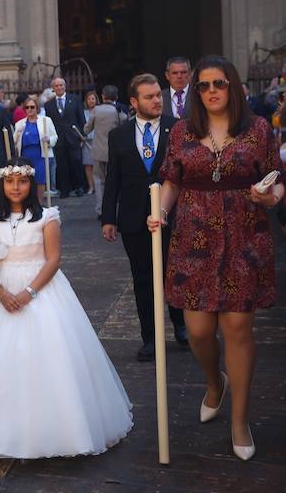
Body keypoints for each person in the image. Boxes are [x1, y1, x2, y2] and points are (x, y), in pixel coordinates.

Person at [149, 55, 286, 461]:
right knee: (199, 331)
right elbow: (172, 179)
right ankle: (214, 382)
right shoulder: (181, 131)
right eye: (203, 85)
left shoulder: (258, 130)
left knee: (239, 327)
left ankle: (240, 420)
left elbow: (277, 180)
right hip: (193, 239)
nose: (211, 91)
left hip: (245, 237)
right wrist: (162, 211)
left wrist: (270, 196)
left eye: (219, 84)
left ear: (233, 86)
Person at [0, 158, 132, 458]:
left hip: (40, 288)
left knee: (50, 355)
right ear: (2, 185)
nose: (15, 187)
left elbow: (53, 259)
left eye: (21, 181)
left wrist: (29, 292)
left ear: (31, 184)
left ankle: (59, 428)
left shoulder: (47, 216)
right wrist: (3, 293)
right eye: (10, 181)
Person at [101, 74, 187, 361]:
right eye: (149, 97)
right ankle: (150, 337)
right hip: (134, 217)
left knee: (173, 273)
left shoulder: (176, 129)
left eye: (158, 96)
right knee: (143, 279)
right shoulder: (119, 135)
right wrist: (109, 218)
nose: (156, 100)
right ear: (135, 102)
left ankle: (180, 325)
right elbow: (112, 178)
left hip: (171, 216)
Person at [85, 85, 126, 217]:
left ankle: (101, 210)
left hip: (98, 151)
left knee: (99, 181)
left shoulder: (96, 110)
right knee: (116, 180)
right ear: (117, 97)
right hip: (115, 151)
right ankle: (115, 209)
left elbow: (87, 129)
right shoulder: (119, 111)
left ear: (103, 96)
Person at [44, 77, 86, 197]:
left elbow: (81, 118)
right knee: (62, 165)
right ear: (53, 88)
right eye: (56, 86)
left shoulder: (75, 99)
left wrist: (82, 135)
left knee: (76, 162)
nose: (59, 87)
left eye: (61, 85)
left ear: (65, 86)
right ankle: (65, 189)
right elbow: (48, 123)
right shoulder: (48, 105)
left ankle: (79, 187)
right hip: (58, 138)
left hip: (73, 137)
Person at [13, 96, 58, 204]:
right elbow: (13, 141)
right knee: (26, 180)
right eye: (27, 107)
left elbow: (55, 136)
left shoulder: (46, 121)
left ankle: (39, 204)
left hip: (40, 155)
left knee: (40, 180)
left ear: (37, 108)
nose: (29, 109)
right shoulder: (20, 124)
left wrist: (49, 140)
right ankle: (29, 204)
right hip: (25, 156)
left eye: (32, 107)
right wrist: (18, 133)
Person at [82, 91, 98, 194]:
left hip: (98, 140)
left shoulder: (100, 111)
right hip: (86, 140)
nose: (91, 101)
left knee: (97, 165)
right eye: (89, 99)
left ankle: (98, 186)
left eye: (93, 98)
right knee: (88, 165)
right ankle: (91, 186)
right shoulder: (83, 112)